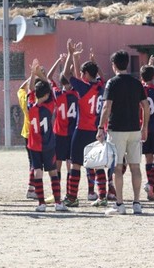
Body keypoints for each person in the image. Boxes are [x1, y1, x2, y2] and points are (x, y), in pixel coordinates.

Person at [96, 50, 150, 215]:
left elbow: (107, 107)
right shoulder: (136, 83)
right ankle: (137, 203)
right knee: (135, 167)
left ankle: (120, 204)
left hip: (116, 130)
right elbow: (146, 106)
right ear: (127, 64)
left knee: (117, 168)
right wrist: (145, 126)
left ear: (114, 65)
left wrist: (100, 127)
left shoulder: (112, 83)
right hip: (134, 129)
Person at [62, 39, 105, 207]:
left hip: (82, 130)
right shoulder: (101, 86)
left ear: (86, 74)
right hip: (96, 130)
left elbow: (67, 75)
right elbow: (101, 75)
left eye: (83, 73)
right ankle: (102, 197)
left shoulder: (84, 87)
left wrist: (71, 55)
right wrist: (93, 63)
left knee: (76, 164)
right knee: (98, 164)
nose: (81, 75)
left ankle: (72, 198)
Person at [27, 59, 68, 212]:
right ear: (46, 95)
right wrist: (40, 75)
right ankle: (58, 203)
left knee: (37, 171)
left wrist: (33, 74)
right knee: (52, 171)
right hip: (48, 144)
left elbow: (31, 89)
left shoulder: (30, 105)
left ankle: (41, 203)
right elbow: (50, 87)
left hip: (33, 144)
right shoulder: (50, 106)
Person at [44, 54, 78, 204]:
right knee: (71, 163)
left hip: (59, 133)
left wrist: (58, 61)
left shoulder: (57, 93)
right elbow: (76, 77)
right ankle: (71, 194)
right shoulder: (77, 93)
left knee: (57, 163)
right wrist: (72, 64)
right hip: (73, 133)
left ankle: (55, 194)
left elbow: (47, 78)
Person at [139, 55, 154, 201]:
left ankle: (150, 191)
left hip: (144, 129)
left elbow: (144, 80)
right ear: (153, 76)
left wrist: (148, 68)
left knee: (148, 159)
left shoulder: (139, 90)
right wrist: (153, 70)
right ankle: (150, 184)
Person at [17, 77, 37, 199]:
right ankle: (31, 188)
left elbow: (20, 88)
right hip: (38, 134)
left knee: (32, 162)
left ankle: (32, 187)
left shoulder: (24, 97)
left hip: (27, 133)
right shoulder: (41, 99)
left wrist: (31, 77)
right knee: (37, 163)